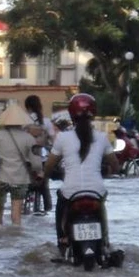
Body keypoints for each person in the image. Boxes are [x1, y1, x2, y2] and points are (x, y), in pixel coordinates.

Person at [42, 93, 121, 258]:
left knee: (60, 202)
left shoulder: (63, 138)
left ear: (71, 114)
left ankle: (62, 242)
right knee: (101, 204)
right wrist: (107, 172)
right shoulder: (101, 137)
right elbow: (115, 165)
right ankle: (105, 240)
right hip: (97, 191)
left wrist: (45, 176)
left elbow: (50, 164)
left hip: (70, 192)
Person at [0, 104, 43, 227]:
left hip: (0, 179)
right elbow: (36, 163)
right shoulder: (29, 138)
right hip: (20, 179)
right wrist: (39, 171)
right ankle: (15, 239)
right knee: (16, 214)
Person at [22, 94, 54, 213]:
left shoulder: (23, 122)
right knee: (44, 187)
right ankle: (48, 209)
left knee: (23, 185)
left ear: (28, 107)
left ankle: (21, 207)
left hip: (26, 159)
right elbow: (53, 140)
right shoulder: (46, 122)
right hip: (42, 158)